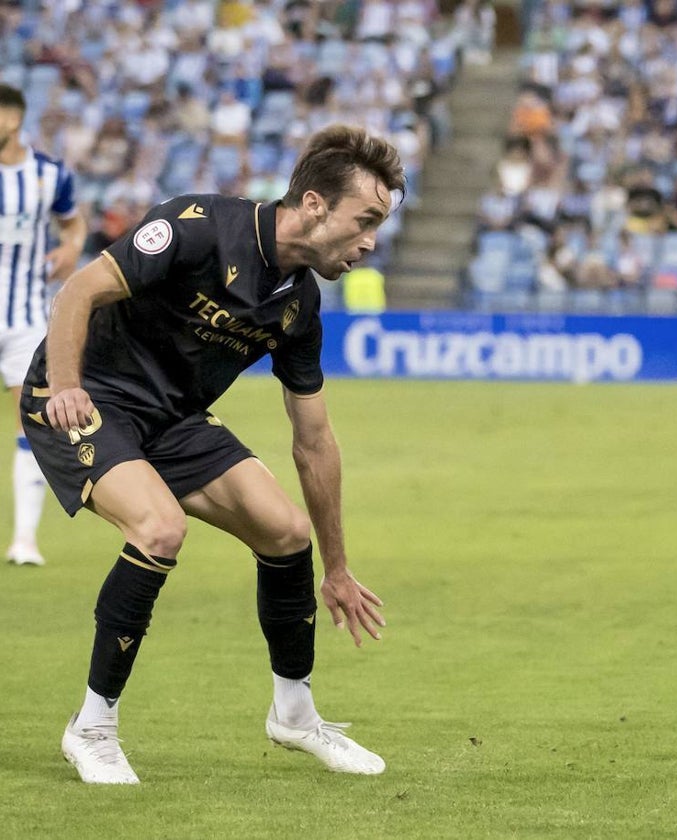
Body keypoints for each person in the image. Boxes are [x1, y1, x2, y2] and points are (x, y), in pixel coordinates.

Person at [21, 124, 406, 784]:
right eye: (365, 219)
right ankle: (92, 727)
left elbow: (313, 441)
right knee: (159, 528)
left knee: (286, 532)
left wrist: (336, 566)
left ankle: (294, 713)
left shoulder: (300, 307)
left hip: (172, 420)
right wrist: (64, 387)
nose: (371, 242)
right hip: (83, 396)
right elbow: (79, 290)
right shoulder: (197, 226)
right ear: (314, 204)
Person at [0, 84, 87, 566]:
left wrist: (72, 248)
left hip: (25, 315)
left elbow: (72, 223)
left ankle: (24, 539)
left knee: (31, 422)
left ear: (12, 120)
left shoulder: (49, 175)